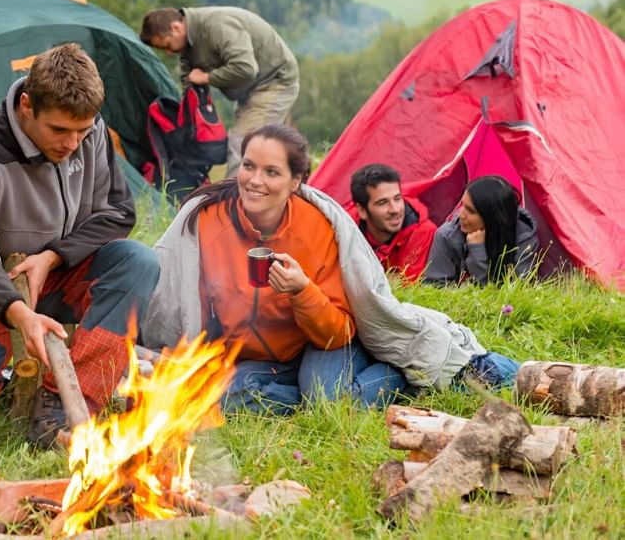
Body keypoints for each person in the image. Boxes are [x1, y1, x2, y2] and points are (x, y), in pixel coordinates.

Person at [141, 125, 522, 413]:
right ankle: (297, 396)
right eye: (248, 166)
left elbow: (337, 329)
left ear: (296, 181)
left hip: (325, 342)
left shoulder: (316, 228)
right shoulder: (209, 221)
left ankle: (398, 377)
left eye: (271, 172)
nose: (255, 181)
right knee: (220, 400)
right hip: (257, 356)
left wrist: (302, 291)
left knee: (325, 399)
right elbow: (175, 293)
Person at [0, 43, 160, 448]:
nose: (72, 144)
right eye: (60, 130)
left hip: (66, 271)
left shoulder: (92, 133)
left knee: (138, 260)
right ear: (27, 106)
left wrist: (53, 256)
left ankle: (63, 407)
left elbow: (118, 212)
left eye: (82, 131)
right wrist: (19, 313)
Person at [141, 6, 300, 178]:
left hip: (274, 82)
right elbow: (189, 81)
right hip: (249, 89)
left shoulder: (218, 26)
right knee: (273, 145)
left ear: (176, 28)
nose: (169, 52)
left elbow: (246, 68)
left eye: (168, 46)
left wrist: (207, 78)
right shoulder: (189, 43)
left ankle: (232, 201)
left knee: (242, 143)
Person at [425, 175, 540, 285]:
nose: (461, 215)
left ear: (492, 217)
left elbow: (519, 291)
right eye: (463, 205)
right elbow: (434, 287)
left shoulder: (523, 239)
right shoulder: (447, 236)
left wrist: (477, 251)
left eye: (471, 211)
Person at [348, 163, 438, 283]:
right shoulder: (346, 228)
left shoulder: (423, 231)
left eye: (397, 198)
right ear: (362, 210)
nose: (395, 209)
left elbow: (408, 287)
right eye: (382, 202)